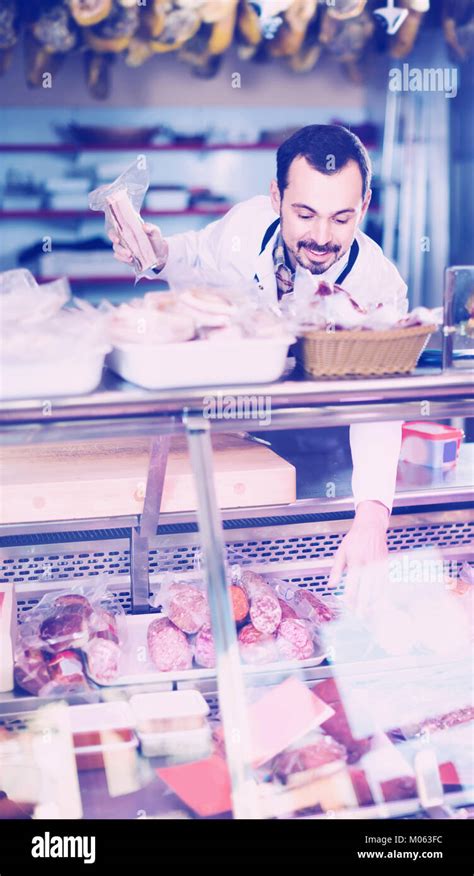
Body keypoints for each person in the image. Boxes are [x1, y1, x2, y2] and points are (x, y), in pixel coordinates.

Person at [109, 124, 407, 598]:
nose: (322, 237)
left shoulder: (379, 285)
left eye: (341, 218)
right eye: (305, 214)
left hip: (328, 458)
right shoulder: (246, 224)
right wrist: (159, 252)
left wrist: (372, 513)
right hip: (235, 440)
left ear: (364, 208)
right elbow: (199, 256)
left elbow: (380, 401)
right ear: (275, 197)